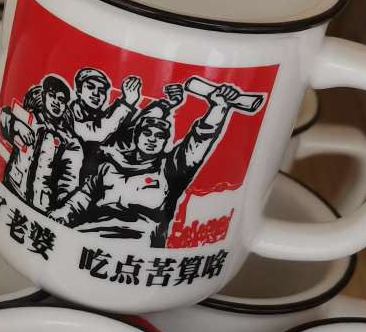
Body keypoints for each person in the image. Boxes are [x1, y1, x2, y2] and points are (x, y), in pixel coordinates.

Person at [51, 85, 243, 246]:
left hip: (138, 242)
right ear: (136, 136)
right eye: (147, 133)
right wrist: (62, 214)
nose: (152, 139)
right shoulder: (110, 165)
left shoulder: (169, 169)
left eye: (159, 136)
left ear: (165, 142)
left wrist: (218, 108)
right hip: (93, 233)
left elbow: (198, 141)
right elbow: (83, 197)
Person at [0, 75, 82, 213]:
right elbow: (3, 117)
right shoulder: (28, 118)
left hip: (40, 207)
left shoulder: (68, 142)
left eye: (61, 100)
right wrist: (16, 125)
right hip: (11, 188)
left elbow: (68, 182)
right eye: (52, 96)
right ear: (43, 96)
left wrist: (58, 209)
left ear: (66, 105)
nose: (56, 102)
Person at [71, 67, 141, 182]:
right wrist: (127, 102)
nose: (96, 93)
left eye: (102, 90)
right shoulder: (70, 114)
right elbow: (97, 132)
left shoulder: (101, 116)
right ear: (79, 90)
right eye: (90, 87)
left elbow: (126, 134)